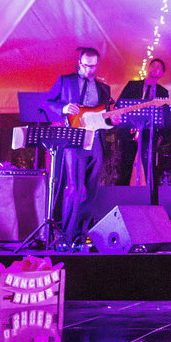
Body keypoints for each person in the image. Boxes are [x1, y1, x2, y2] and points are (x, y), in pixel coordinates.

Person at [46, 48, 115, 246]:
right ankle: (66, 235)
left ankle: (81, 235)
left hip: (96, 140)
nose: (90, 70)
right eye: (86, 65)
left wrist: (114, 119)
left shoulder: (104, 89)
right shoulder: (65, 81)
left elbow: (105, 116)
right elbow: (46, 102)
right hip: (74, 139)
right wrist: (63, 108)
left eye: (93, 66)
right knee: (75, 188)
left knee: (92, 189)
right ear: (79, 62)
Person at [119, 58, 170, 188]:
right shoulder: (132, 85)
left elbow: (165, 116)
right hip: (130, 130)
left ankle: (152, 197)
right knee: (125, 164)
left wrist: (161, 136)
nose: (155, 68)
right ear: (148, 68)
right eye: (153, 65)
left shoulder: (163, 92)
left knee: (150, 166)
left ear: (162, 74)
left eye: (158, 67)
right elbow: (120, 105)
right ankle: (121, 195)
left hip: (150, 133)